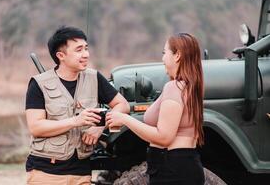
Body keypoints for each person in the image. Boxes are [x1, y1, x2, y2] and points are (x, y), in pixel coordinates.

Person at [25, 26, 130, 185]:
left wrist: (100, 127)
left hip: (82, 173)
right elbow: (36, 127)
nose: (86, 54)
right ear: (61, 55)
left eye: (86, 48)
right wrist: (76, 121)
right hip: (46, 172)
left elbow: (122, 105)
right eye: (79, 50)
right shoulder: (39, 84)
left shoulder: (94, 78)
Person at [106, 33, 205, 185]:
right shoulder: (190, 87)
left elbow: (164, 137)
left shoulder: (174, 87)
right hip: (182, 165)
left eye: (165, 53)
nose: (163, 59)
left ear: (177, 55)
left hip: (172, 169)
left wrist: (125, 119)